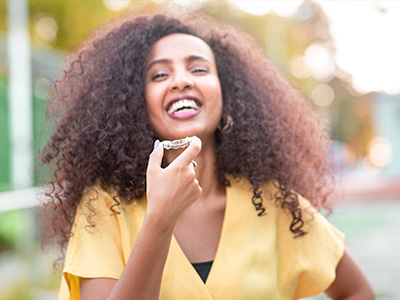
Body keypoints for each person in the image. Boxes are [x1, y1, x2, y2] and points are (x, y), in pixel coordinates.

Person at [41, 7, 375, 300]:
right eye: (159, 74)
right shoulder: (104, 206)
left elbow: (357, 290)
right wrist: (160, 220)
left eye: (198, 69)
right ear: (134, 105)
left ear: (227, 96)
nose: (181, 80)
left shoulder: (274, 203)